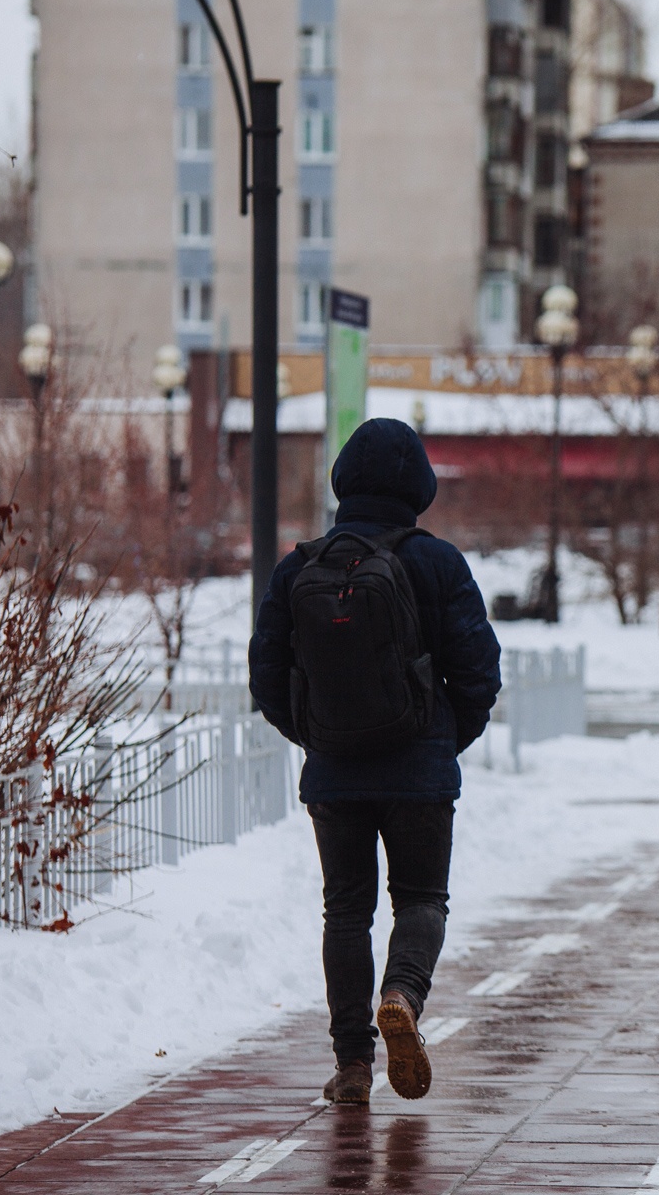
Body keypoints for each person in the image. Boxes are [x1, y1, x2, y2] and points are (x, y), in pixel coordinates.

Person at [248, 418, 502, 1107]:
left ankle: (353, 1064)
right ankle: (403, 995)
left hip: (334, 772)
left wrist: (317, 735)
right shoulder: (438, 563)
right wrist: (444, 740)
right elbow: (479, 672)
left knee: (345, 913)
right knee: (421, 899)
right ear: (418, 487)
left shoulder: (300, 566)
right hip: (420, 771)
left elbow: (266, 675)